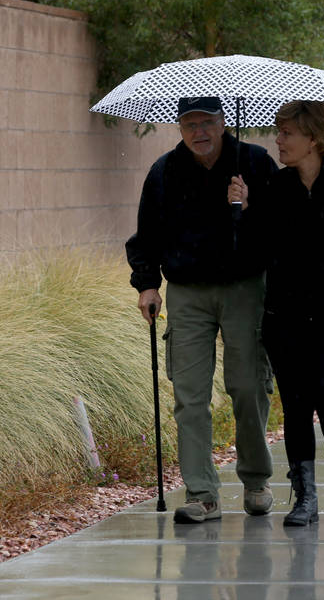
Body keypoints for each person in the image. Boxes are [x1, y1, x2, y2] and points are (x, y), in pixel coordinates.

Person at [126, 96, 280, 523]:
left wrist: (249, 207)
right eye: (189, 124)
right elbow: (146, 235)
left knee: (247, 386)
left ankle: (255, 480)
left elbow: (281, 229)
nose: (199, 132)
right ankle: (201, 493)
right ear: (179, 128)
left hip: (244, 288)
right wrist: (147, 284)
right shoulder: (164, 172)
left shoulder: (254, 162)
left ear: (223, 121)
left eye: (207, 123)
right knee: (189, 395)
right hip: (188, 293)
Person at [237, 100, 324, 527]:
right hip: (287, 318)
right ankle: (304, 496)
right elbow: (256, 250)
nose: (277, 140)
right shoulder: (277, 188)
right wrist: (243, 209)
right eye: (278, 132)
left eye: (286, 133)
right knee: (296, 404)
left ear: (313, 138)